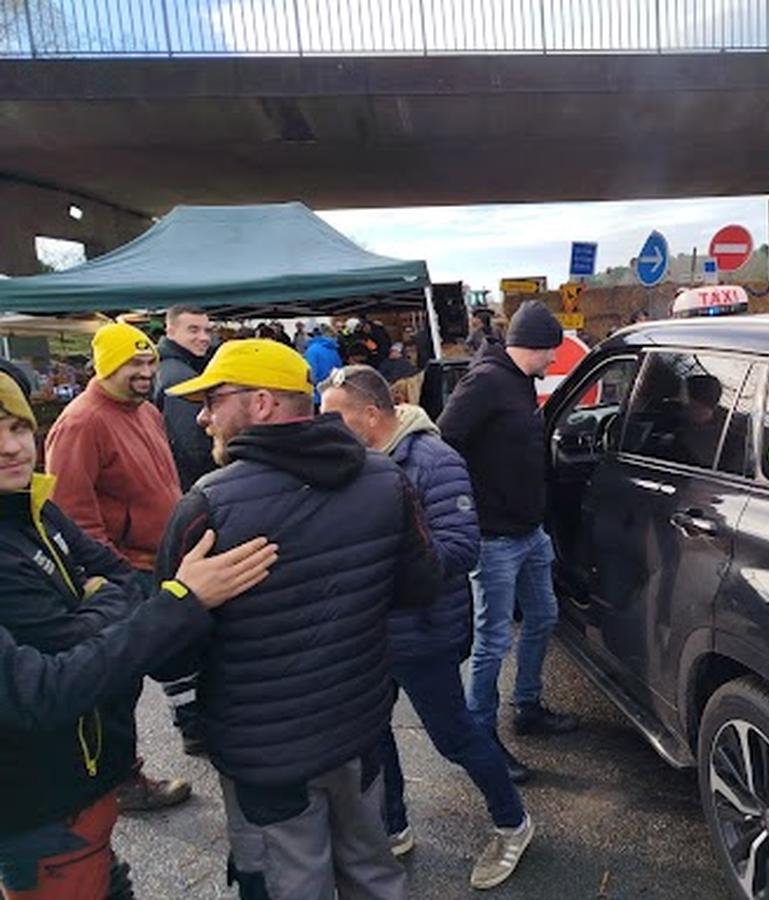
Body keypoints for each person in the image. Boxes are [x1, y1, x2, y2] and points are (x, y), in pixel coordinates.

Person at [159, 339, 442, 900]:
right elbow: (420, 586)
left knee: (290, 886)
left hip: (266, 755)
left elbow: (171, 656)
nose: (203, 416)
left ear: (262, 403)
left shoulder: (205, 506)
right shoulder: (385, 479)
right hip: (357, 727)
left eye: (214, 399)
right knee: (372, 872)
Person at [0, 358, 277, 900]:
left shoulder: (31, 504)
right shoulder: (63, 451)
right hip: (39, 801)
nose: (11, 447)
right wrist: (179, 600)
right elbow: (46, 689)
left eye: (15, 428)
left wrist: (92, 617)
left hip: (90, 775)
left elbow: (117, 577)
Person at [319, 365, 533, 891]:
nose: (322, 429)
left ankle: (513, 822)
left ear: (371, 415)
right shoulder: (351, 462)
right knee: (372, 733)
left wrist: (373, 568)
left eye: (334, 418)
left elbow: (461, 549)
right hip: (370, 630)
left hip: (422, 630)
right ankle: (394, 825)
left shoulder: (433, 459)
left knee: (454, 736)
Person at [44, 321, 196, 809]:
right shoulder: (81, 422)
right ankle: (121, 780)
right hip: (126, 570)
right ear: (104, 366)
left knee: (184, 648)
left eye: (149, 361)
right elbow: (71, 512)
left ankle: (197, 730)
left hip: (162, 561)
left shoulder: (145, 412)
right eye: (133, 363)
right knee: (119, 684)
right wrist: (111, 577)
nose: (145, 371)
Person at [438, 299, 578, 782]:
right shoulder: (485, 382)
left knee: (543, 616)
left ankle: (528, 706)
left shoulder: (518, 382)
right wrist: (469, 505)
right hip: (494, 537)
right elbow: (444, 441)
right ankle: (482, 735)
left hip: (529, 530)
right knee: (493, 640)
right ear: (531, 347)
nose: (553, 363)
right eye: (550, 354)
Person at [154, 306, 216, 492]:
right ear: (170, 331)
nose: (204, 338)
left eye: (207, 330)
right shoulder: (180, 377)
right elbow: (193, 447)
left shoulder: (164, 366)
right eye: (193, 330)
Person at [303, 324, 343, 399]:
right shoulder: (334, 350)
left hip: (317, 395)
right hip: (333, 393)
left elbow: (311, 376)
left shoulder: (312, 351)